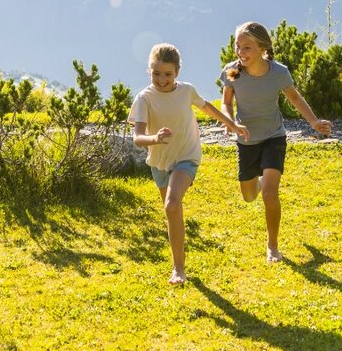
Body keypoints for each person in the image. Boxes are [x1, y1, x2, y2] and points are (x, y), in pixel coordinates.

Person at [131, 43, 247, 285]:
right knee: (172, 211)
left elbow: (207, 107)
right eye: (156, 73)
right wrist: (155, 138)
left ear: (177, 72)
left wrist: (232, 124)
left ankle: (178, 270)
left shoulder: (186, 91)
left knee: (172, 205)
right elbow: (137, 137)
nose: (161, 79)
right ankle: (178, 264)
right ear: (149, 71)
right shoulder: (144, 99)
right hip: (159, 162)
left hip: (186, 156)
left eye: (167, 74)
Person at [221, 22, 331, 263]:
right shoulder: (232, 72)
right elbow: (227, 103)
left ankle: (272, 246)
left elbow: (294, 97)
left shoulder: (278, 73)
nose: (241, 52)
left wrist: (313, 122)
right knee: (250, 196)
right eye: (238, 46)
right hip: (247, 140)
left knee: (270, 194)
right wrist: (230, 122)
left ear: (263, 48)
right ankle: (258, 183)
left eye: (247, 47)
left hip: (274, 137)